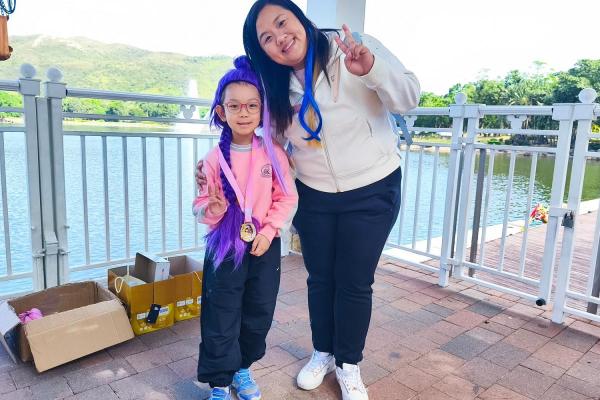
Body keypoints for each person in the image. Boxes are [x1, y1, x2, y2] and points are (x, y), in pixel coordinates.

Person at [197, 1, 420, 398]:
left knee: (354, 282)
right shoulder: (274, 87)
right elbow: (270, 148)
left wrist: (371, 69)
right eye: (267, 38)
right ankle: (323, 352)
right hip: (314, 195)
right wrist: (225, 176)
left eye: (282, 22)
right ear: (262, 51)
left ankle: (348, 364)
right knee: (320, 279)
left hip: (373, 185)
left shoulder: (354, 47)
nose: (280, 38)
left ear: (300, 18)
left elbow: (408, 98)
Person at [193, 55, 298, 400]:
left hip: (263, 245)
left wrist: (269, 231)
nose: (244, 112)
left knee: (259, 310)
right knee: (221, 312)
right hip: (225, 247)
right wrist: (212, 209)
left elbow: (287, 197)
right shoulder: (211, 159)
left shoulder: (273, 152)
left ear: (262, 110)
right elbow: (199, 206)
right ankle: (220, 381)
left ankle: (242, 368)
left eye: (252, 105)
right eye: (234, 105)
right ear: (221, 112)